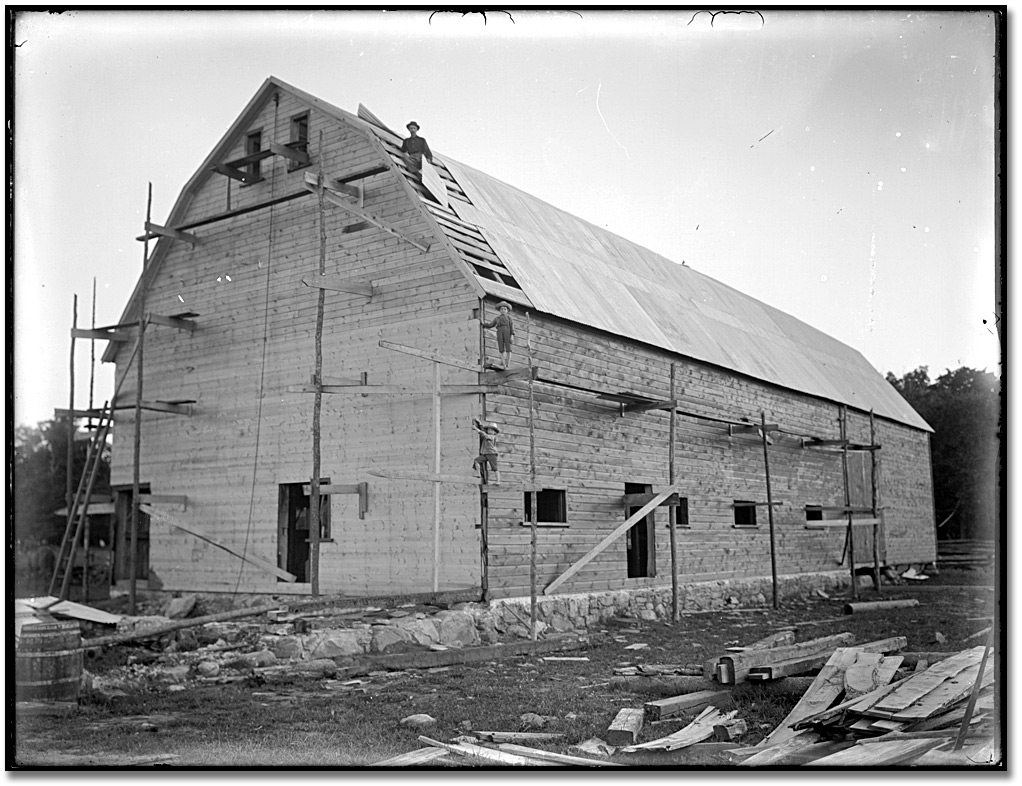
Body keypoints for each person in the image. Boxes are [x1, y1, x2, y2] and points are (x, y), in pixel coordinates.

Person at [481, 301, 515, 370]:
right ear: (500, 310)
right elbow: (491, 324)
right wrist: (483, 324)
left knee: (508, 349)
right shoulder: (497, 318)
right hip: (500, 332)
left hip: (507, 332)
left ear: (507, 310)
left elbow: (512, 327)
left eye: (505, 309)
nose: (503, 310)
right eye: (502, 309)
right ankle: (504, 364)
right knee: (501, 349)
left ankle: (508, 365)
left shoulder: (509, 318)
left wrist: (512, 335)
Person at [471, 419, 501, 485]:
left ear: (494, 432)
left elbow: (484, 434)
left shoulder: (492, 437)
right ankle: (478, 474)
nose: (490, 431)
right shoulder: (487, 434)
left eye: (492, 430)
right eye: (489, 429)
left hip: (492, 453)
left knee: (494, 468)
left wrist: (475, 428)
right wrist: (480, 423)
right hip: (485, 453)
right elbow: (483, 431)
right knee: (476, 461)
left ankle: (498, 481)